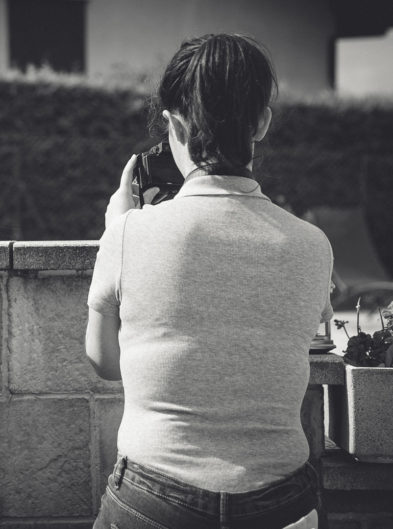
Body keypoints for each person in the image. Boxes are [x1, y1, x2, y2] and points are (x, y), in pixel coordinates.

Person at [86, 34, 329, 529]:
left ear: (174, 123)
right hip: (283, 503)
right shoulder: (313, 245)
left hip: (155, 498)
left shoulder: (129, 233)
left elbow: (105, 363)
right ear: (261, 122)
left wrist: (118, 229)